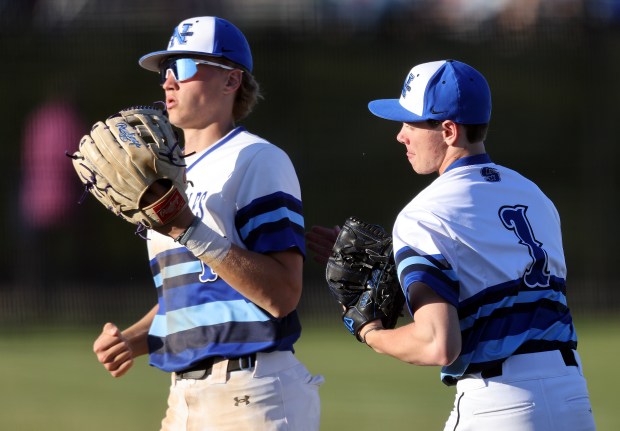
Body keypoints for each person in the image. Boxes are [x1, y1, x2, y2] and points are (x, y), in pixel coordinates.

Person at [306, 59, 595, 430]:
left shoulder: (424, 213)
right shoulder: (534, 195)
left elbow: (437, 344)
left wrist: (373, 334)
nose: (401, 135)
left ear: (447, 130)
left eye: (411, 122)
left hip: (498, 403)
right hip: (572, 396)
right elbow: (496, 298)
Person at [92, 16, 323, 431]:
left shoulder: (258, 159)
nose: (168, 82)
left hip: (252, 396)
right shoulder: (164, 176)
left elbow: (283, 294)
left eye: (182, 67)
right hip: (182, 401)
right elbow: (199, 293)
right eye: (165, 71)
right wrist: (137, 337)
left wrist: (186, 228)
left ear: (231, 80)